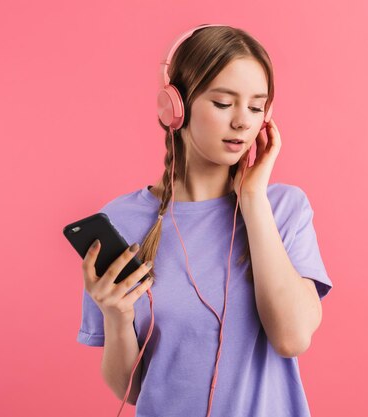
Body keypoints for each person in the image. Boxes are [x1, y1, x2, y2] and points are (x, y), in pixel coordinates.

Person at [77, 24, 333, 417]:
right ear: (174, 106)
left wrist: (251, 197)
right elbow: (130, 389)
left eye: (255, 106)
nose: (243, 122)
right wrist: (116, 315)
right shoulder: (121, 221)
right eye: (223, 103)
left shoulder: (283, 208)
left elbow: (291, 337)